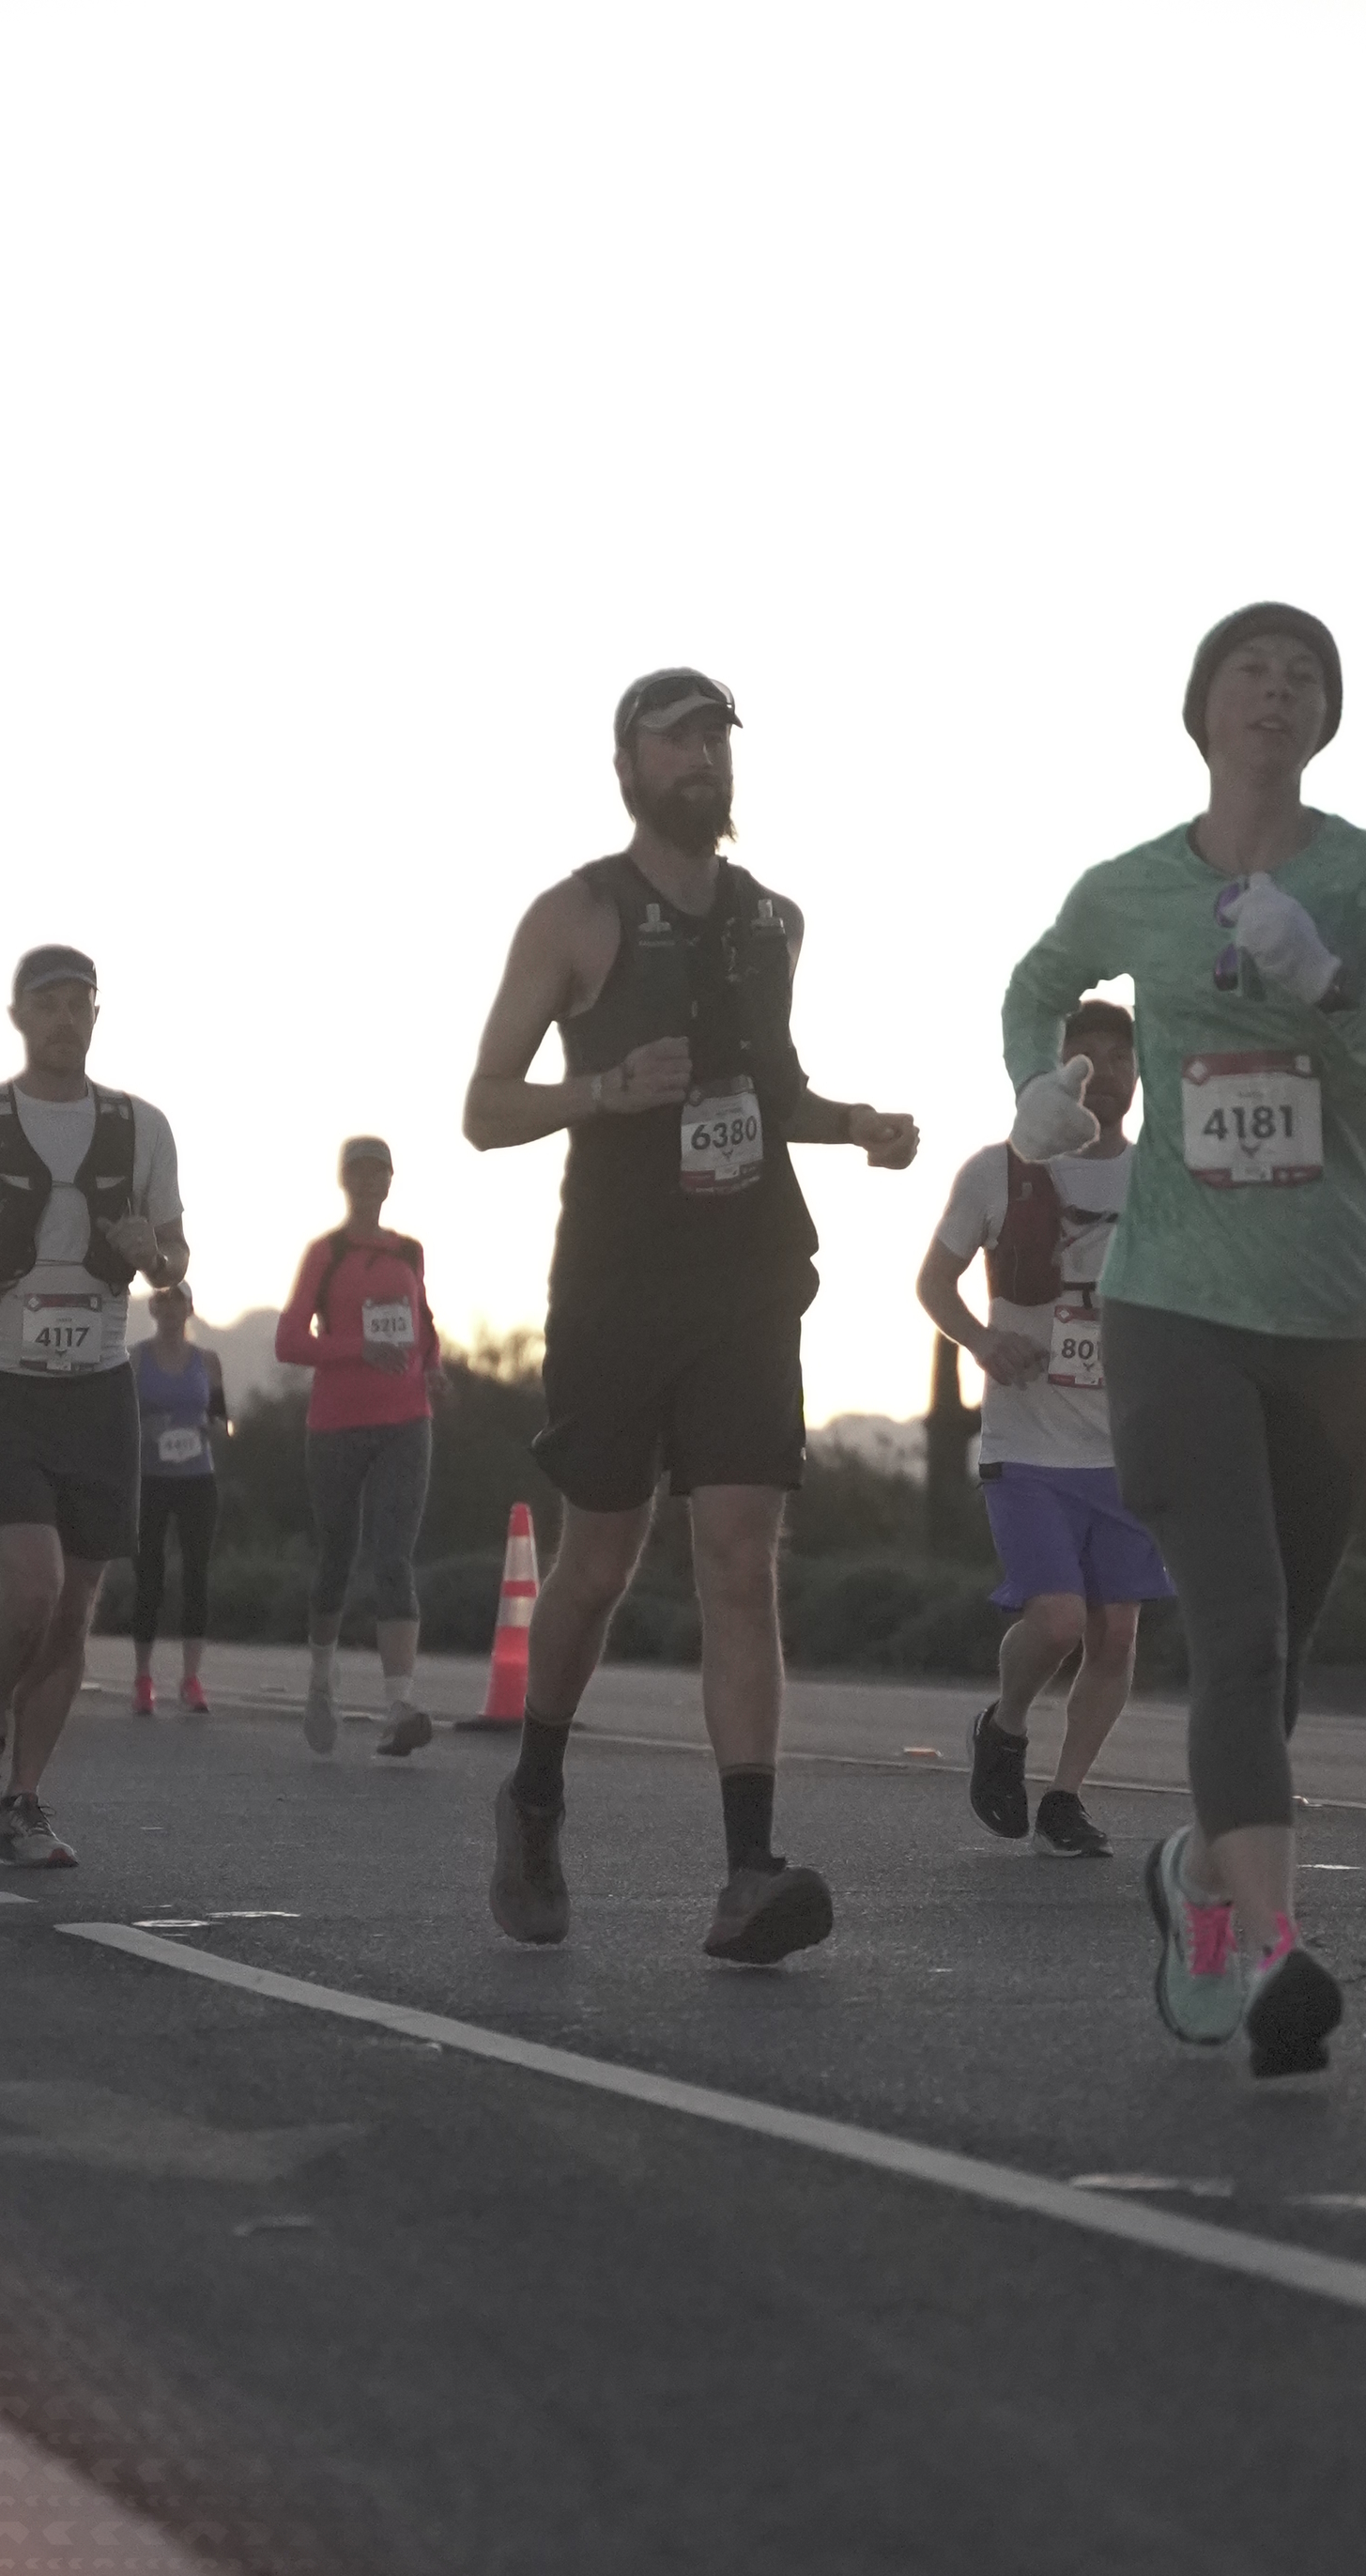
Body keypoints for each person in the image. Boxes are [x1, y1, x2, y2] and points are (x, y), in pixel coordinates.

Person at [1002, 604, 1366, 2077]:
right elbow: (1039, 980)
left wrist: (1331, 982)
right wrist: (1039, 1089)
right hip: (1174, 1308)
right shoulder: (1131, 887)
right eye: (1251, 669)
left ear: (1327, 717)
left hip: (1342, 1320)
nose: (1278, 690)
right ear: (1204, 706)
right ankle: (1281, 1951)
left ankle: (1202, 1885)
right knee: (1236, 1632)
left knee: (1272, 1654)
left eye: (1305, 676)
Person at [464, 669, 919, 1960]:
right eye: (674, 740)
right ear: (627, 767)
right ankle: (534, 1793)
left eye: (714, 738)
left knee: (737, 1553)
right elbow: (484, 1108)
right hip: (615, 1282)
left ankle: (747, 1870)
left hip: (748, 1276)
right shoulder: (575, 914)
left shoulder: (774, 921)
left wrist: (856, 1125)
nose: (700, 758)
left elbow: (772, 1088)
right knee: (599, 1563)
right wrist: (601, 1089)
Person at [0, 946, 187, 1866]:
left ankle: (22, 1799)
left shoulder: (142, 1126)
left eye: (77, 1003)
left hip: (97, 1386)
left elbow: (174, 1255)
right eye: (46, 1003)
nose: (63, 1018)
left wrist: (151, 1254)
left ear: (96, 1015)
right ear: (18, 1016)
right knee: (31, 1582)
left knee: (74, 1605)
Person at [916, 1000, 1174, 1856]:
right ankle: (1006, 1724)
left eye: (1120, 1058)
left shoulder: (1163, 1177)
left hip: (1126, 1447)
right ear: (1053, 1070)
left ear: (1140, 1072)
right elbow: (935, 1283)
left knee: (1116, 1635)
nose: (1104, 1075)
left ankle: (1065, 1796)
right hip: (1026, 1446)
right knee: (1059, 1620)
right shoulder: (1000, 1170)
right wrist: (981, 1339)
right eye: (1084, 1058)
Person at [275, 1136, 447, 1757]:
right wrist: (358, 1349)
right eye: (360, 1172)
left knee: (394, 1557)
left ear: (391, 1180)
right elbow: (289, 1341)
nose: (371, 1181)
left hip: (407, 1421)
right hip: (337, 1426)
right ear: (345, 1181)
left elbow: (422, 1324)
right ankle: (322, 1682)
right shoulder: (328, 1253)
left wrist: (433, 1368)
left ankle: (398, 1705)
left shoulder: (408, 1251)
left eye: (380, 1172)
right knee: (337, 1559)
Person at [128, 1282, 226, 1714]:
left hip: (197, 1476)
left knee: (196, 1575)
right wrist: (144, 1430)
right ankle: (143, 1677)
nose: (170, 1310)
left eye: (177, 1302)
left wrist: (208, 1428)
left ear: (189, 1309)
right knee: (149, 1575)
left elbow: (223, 1420)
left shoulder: (208, 1361)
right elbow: (120, 1417)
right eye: (163, 1302)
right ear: (153, 1309)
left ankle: (191, 1678)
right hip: (151, 1478)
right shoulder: (135, 1360)